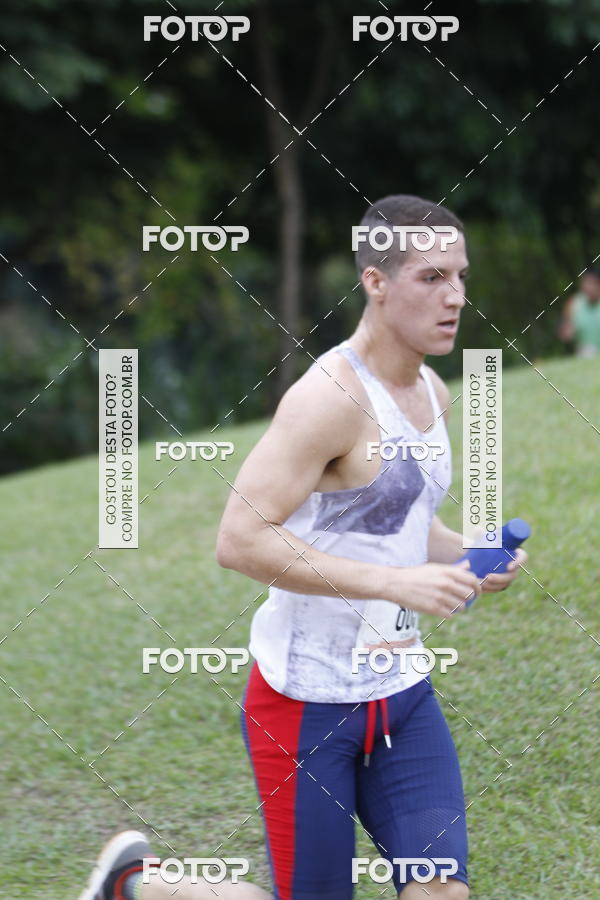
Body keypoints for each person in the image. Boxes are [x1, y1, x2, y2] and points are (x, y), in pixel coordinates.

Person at [80, 195, 527, 900]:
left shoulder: (432, 392)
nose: (456, 298)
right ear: (376, 282)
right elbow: (239, 540)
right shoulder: (328, 399)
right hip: (305, 705)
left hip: (402, 696)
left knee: (441, 891)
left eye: (461, 277)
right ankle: (139, 884)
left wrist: (467, 553)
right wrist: (394, 585)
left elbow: (406, 527)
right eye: (432, 278)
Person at [558, 265, 600, 357]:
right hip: (585, 353)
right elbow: (564, 332)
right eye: (585, 283)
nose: (587, 287)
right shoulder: (574, 303)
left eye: (591, 283)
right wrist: (567, 331)